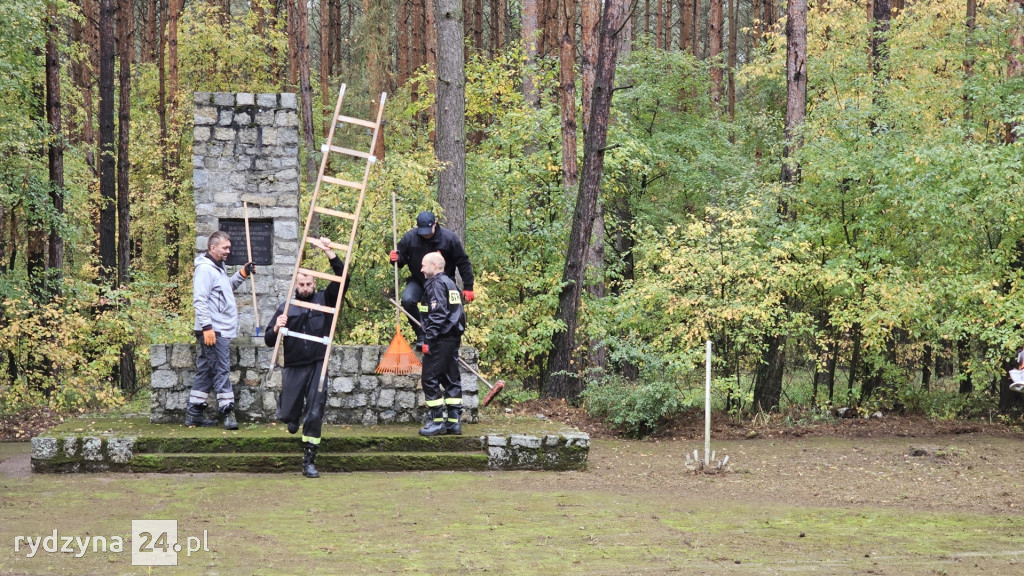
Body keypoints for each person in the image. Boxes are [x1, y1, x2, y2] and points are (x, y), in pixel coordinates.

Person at [264, 237, 344, 478]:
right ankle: (291, 413)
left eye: (309, 283)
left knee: (315, 409)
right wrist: (277, 327)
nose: (306, 287)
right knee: (288, 413)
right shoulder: (286, 306)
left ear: (314, 283)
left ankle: (309, 457)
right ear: (295, 285)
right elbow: (269, 340)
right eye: (302, 284)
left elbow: (343, 279)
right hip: (295, 364)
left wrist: (329, 252)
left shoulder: (324, 299)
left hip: (319, 361)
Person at [187, 230, 254, 430]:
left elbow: (224, 290)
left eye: (229, 248)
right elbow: (199, 300)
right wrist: (207, 327)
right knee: (221, 371)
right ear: (212, 247)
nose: (228, 251)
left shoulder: (218, 268)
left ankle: (194, 412)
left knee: (206, 371)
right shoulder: (205, 270)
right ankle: (227, 411)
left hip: (216, 329)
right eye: (225, 248)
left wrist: (242, 274)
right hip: (214, 331)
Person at [389, 211, 474, 349]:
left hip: (443, 282)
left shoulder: (449, 239)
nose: (425, 234)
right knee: (407, 299)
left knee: (448, 306)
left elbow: (463, 262)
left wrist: (468, 286)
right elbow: (401, 259)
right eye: (422, 232)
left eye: (428, 231)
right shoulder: (410, 237)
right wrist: (395, 259)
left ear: (435, 224)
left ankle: (447, 339)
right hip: (419, 280)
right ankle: (421, 333)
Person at [417, 252, 467, 437]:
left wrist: (428, 339)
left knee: (429, 378)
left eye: (424, 265)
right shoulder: (450, 283)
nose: (421, 269)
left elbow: (438, 314)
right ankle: (454, 422)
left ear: (435, 265)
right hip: (452, 337)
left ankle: (437, 421)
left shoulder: (437, 283)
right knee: (450, 377)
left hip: (440, 337)